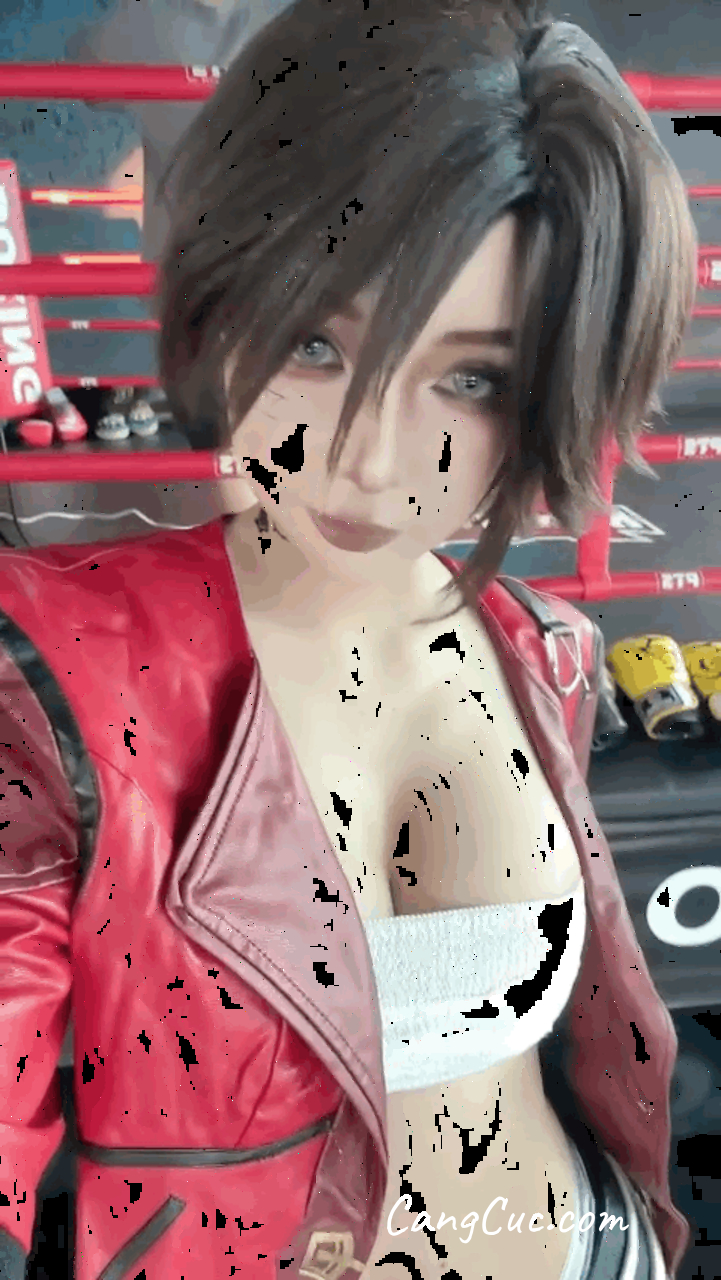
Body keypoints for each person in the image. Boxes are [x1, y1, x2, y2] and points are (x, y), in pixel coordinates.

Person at [0, 1, 697, 1278]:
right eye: (316, 341)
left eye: (472, 378)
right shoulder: (45, 687)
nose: (373, 461)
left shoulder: (540, 649)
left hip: (590, 1243)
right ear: (225, 297)